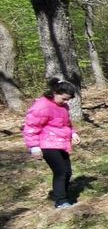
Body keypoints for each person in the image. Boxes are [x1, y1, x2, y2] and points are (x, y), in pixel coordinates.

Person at [23, 79, 80, 209]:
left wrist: (73, 133)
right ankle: (60, 201)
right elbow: (31, 128)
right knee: (60, 172)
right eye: (64, 99)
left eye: (68, 100)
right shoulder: (41, 106)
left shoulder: (63, 106)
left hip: (62, 142)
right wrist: (34, 147)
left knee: (68, 172)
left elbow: (66, 124)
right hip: (47, 144)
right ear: (55, 92)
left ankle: (63, 195)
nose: (66, 102)